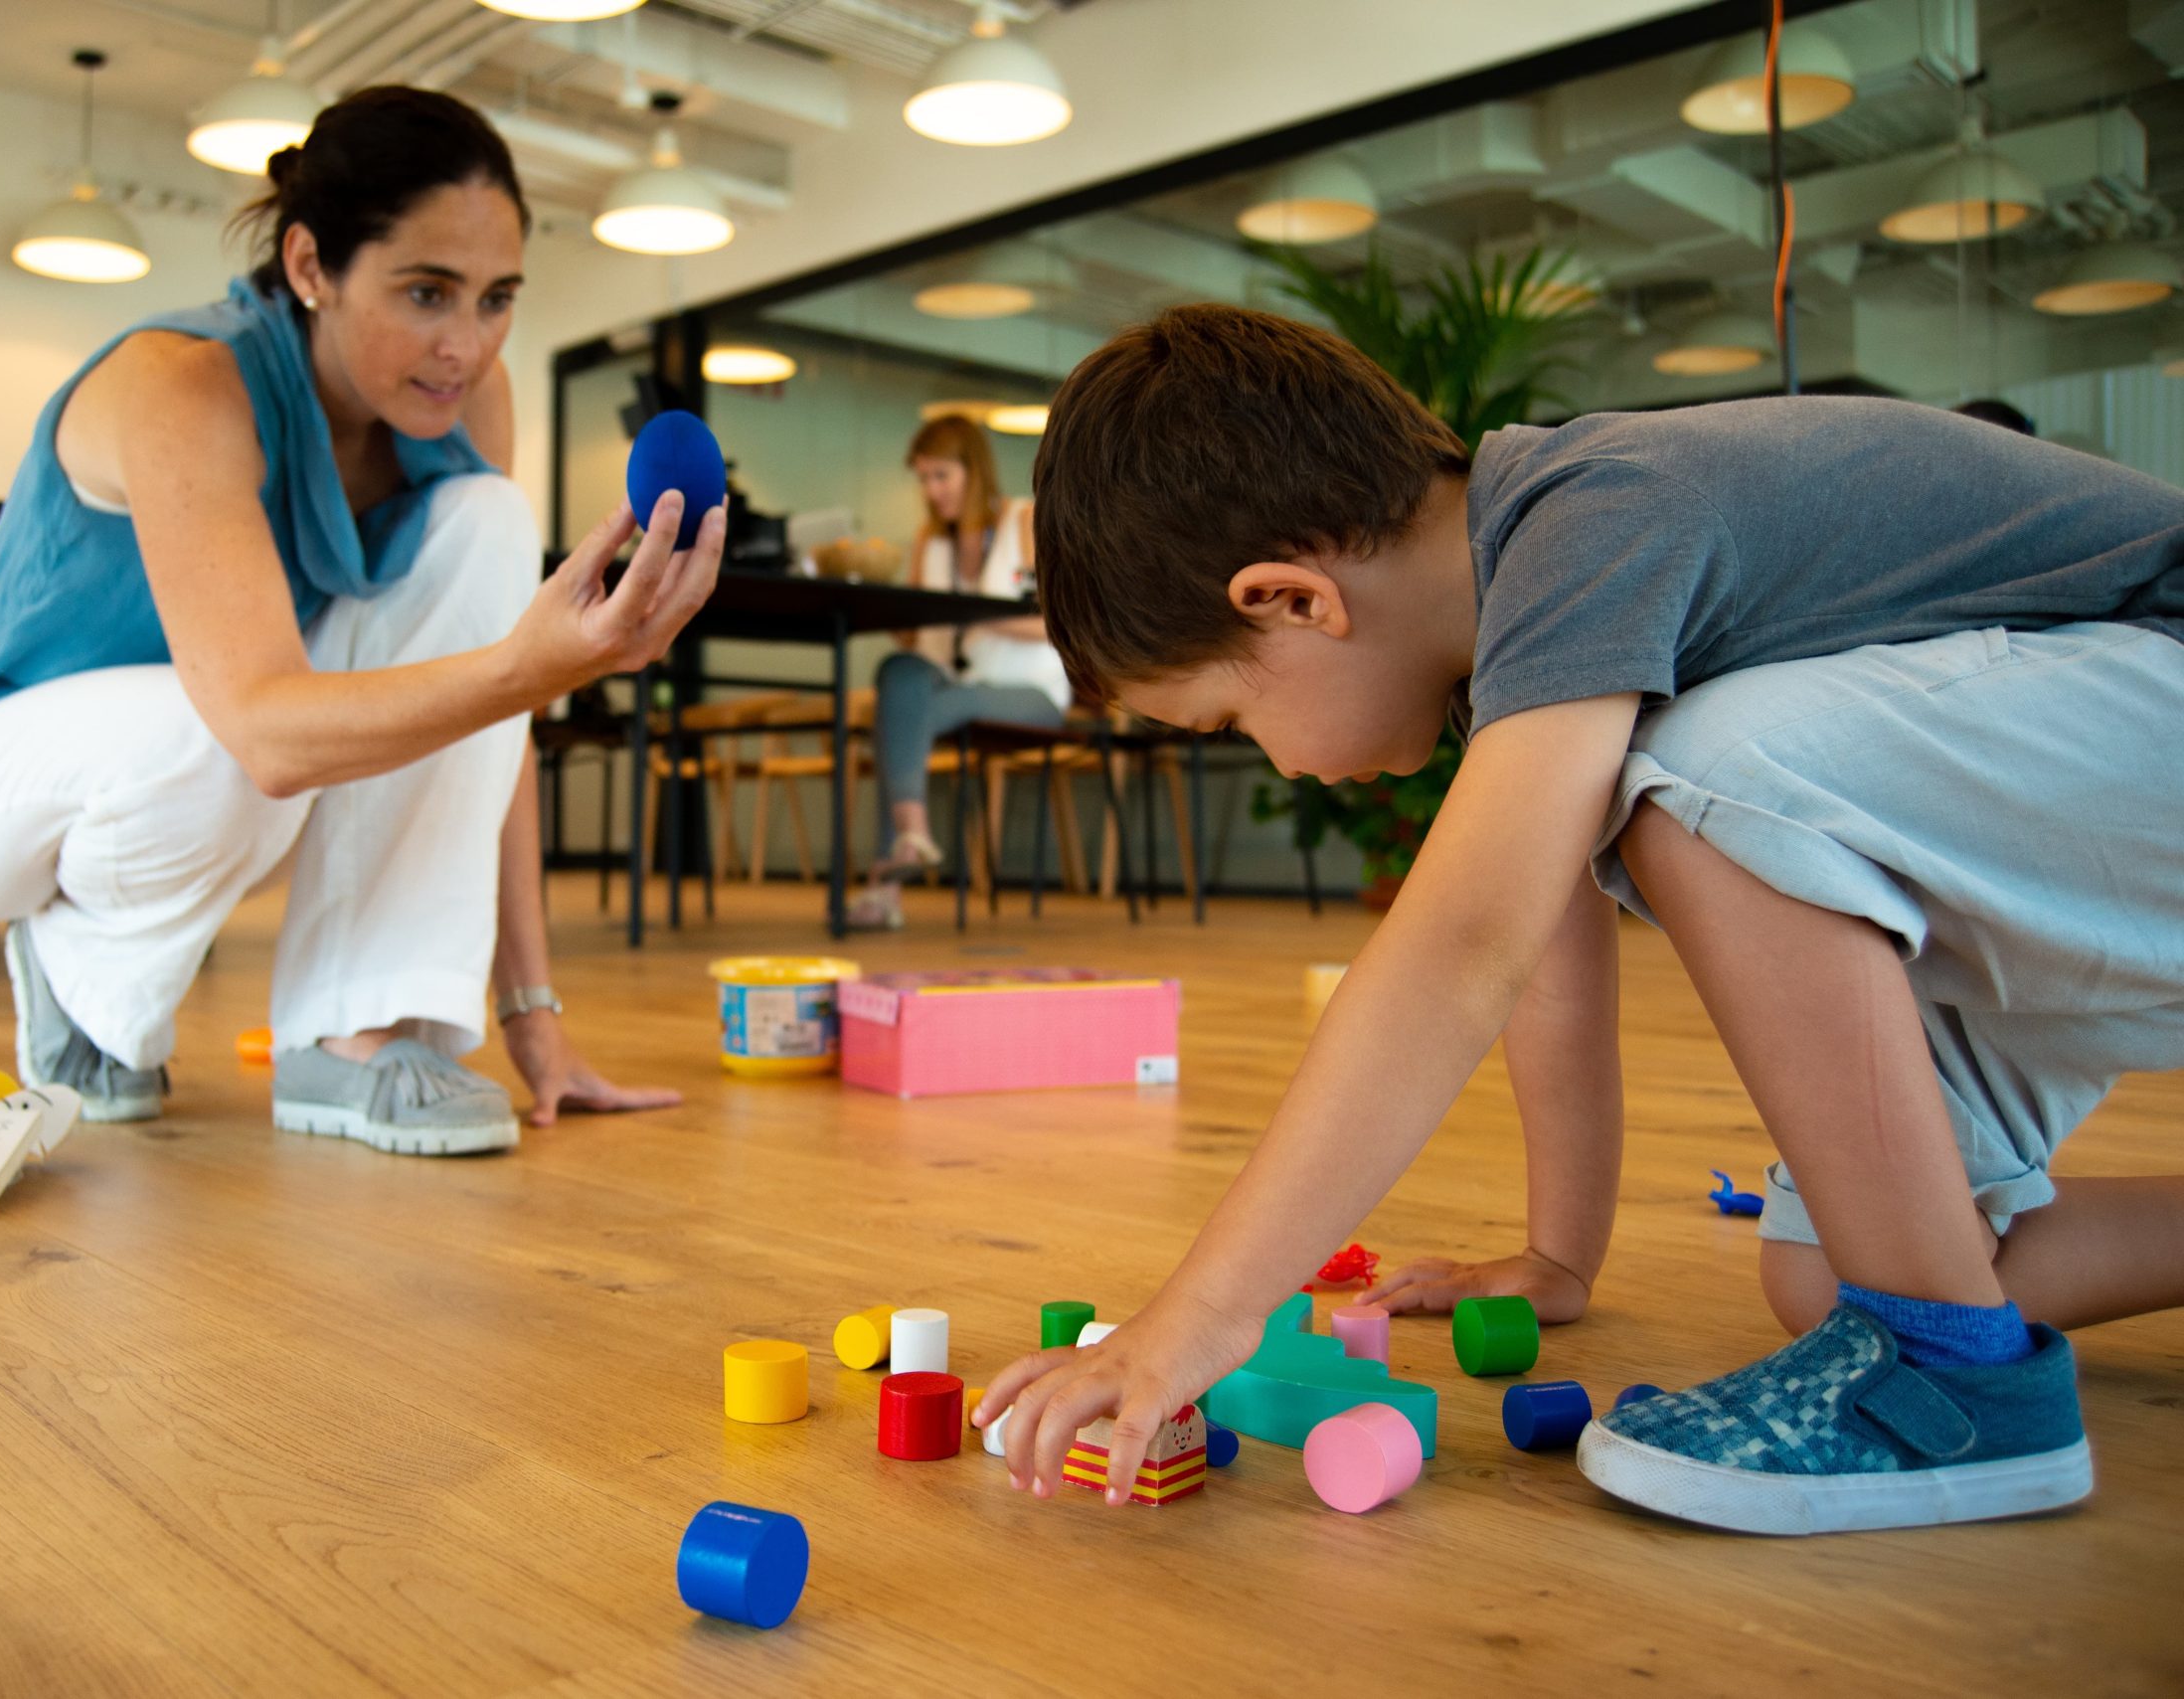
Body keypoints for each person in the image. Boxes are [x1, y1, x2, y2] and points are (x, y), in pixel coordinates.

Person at [972, 303, 2184, 1535]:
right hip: (2075, 831)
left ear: (1291, 599)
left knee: (1703, 766)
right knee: (1837, 1270)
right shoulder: (1517, 642)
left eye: (1231, 725)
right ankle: (1934, 1326)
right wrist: (1561, 1253)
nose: (1275, 763)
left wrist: (1201, 1315)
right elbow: (1550, 960)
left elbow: (1463, 952)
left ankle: (1960, 1384)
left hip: (2150, 716)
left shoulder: (1595, 514)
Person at [0, 89, 724, 1155]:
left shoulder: (457, 410)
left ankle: (355, 1030)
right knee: (237, 734)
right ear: (311, 266)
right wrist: (525, 668)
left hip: (192, 766)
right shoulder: (183, 383)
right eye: (425, 292)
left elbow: (486, 724)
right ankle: (82, 973)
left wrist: (534, 1015)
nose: (465, 345)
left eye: (496, 299)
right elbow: (267, 734)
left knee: (489, 517)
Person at [846, 414, 1067, 930]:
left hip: (1031, 693)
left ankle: (886, 884)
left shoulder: (1023, 522)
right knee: (898, 671)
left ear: (974, 470)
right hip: (957, 683)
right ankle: (912, 830)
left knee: (898, 719)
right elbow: (919, 637)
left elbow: (1058, 623)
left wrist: (978, 614)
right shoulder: (930, 540)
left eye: (941, 475)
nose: (931, 489)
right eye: (923, 478)